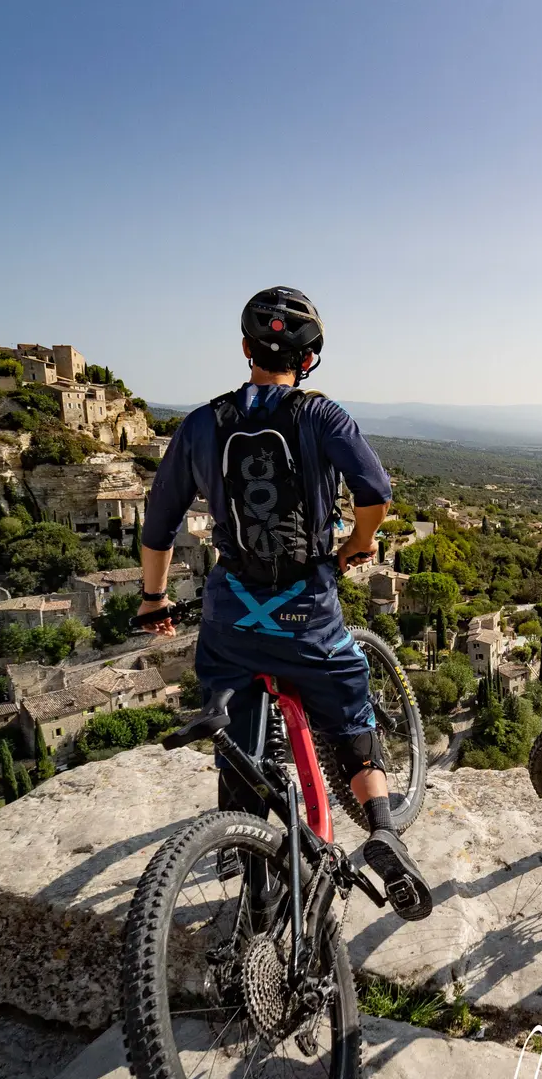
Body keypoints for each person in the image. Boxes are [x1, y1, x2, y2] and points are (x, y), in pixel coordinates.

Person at [135, 286, 433, 922]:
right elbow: (375, 490)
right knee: (351, 711)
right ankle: (382, 830)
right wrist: (359, 540)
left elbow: (157, 526)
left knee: (233, 721)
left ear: (245, 350)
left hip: (232, 616)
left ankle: (243, 848)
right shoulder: (322, 417)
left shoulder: (200, 425)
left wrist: (153, 600)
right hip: (309, 613)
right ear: (311, 358)